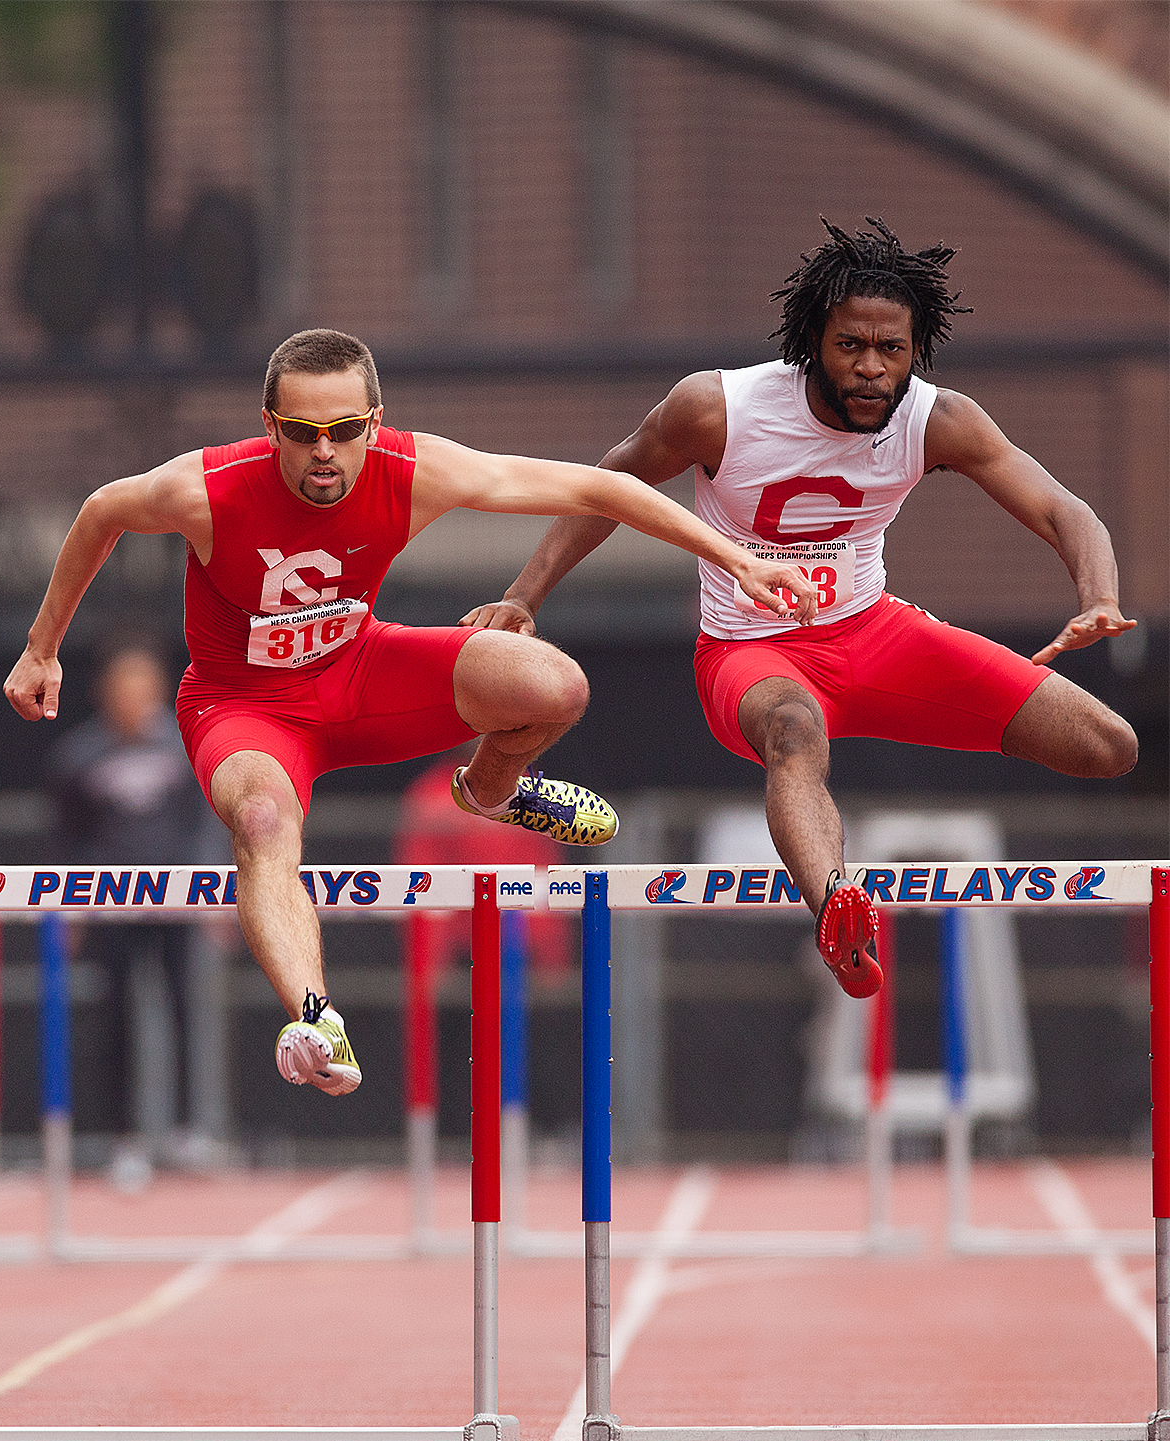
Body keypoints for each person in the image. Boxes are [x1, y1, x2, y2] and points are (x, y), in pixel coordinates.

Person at [4, 327, 821, 1097]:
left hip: (363, 675)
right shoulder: (206, 488)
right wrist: (43, 649)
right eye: (302, 431)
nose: (325, 452)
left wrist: (737, 559)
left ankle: (494, 788)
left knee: (555, 686)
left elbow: (600, 485)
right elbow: (102, 510)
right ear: (270, 426)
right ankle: (318, 1022)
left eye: (346, 429)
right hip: (247, 709)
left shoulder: (415, 469)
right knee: (259, 822)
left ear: (375, 421)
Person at [462, 218, 1139, 1000]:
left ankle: (842, 898)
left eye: (892, 350)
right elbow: (609, 488)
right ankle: (839, 914)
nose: (872, 372)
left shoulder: (937, 419)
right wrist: (524, 595)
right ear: (812, 340)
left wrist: (1099, 597)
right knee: (796, 732)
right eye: (851, 346)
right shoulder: (718, 408)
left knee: (1107, 745)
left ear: (916, 348)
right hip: (753, 654)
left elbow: (1065, 509)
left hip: (876, 636)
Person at [45, 642, 222, 1176]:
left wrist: (214, 896)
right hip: (110, 906)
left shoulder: (183, 749)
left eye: (142, 684)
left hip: (177, 900)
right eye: (122, 685)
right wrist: (68, 908)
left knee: (184, 1007)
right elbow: (65, 840)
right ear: (106, 692)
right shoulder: (79, 758)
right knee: (116, 1016)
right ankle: (123, 1140)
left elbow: (204, 823)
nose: (132, 696)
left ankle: (189, 1132)